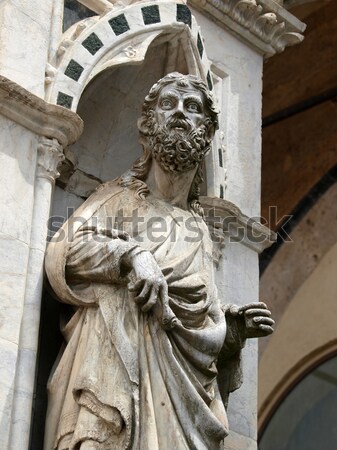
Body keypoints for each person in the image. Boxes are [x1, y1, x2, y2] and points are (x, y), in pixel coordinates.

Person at [44, 72, 274, 450]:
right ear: (147, 126)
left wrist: (230, 331)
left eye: (193, 107)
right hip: (114, 374)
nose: (181, 113)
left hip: (181, 406)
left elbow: (200, 313)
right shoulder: (118, 199)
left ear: (207, 131)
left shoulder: (200, 232)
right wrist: (131, 256)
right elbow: (64, 254)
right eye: (168, 104)